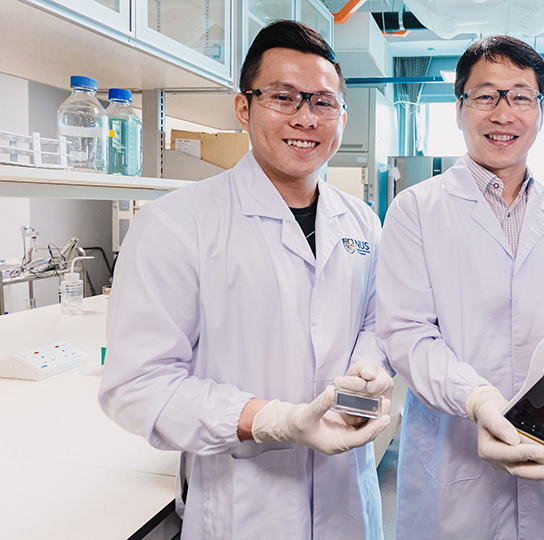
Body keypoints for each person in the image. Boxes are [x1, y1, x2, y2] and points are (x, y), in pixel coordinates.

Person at [99, 21, 393, 540]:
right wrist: (270, 420)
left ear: (342, 116)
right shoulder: (176, 224)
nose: (306, 117)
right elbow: (137, 386)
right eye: (284, 97)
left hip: (346, 500)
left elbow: (374, 320)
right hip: (242, 509)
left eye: (323, 102)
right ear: (244, 107)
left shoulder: (362, 221)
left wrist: (368, 366)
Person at [376, 36, 544, 540]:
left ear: (541, 111)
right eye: (485, 95)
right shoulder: (416, 210)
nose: (503, 113)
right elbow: (406, 333)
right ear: (459, 109)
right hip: (453, 457)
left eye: (521, 96)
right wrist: (478, 399)